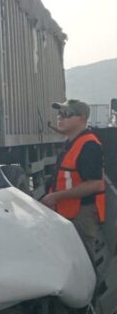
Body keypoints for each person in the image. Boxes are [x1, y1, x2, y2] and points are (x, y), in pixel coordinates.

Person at [42, 99, 106, 258]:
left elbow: (95, 184)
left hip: (81, 215)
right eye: (59, 114)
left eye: (66, 114)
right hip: (69, 212)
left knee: (83, 260)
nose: (60, 117)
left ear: (82, 118)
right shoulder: (71, 143)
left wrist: (56, 196)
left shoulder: (89, 145)